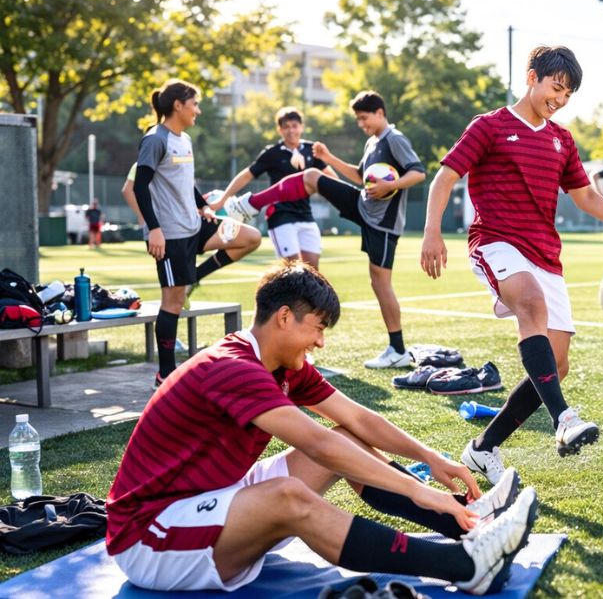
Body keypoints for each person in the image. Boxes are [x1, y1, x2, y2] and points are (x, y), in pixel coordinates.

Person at [105, 261, 537, 595]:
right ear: (284, 318)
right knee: (289, 494)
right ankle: (468, 567)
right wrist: (419, 489)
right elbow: (316, 442)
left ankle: (470, 526)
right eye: (318, 328)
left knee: (350, 439)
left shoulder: (281, 363)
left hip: (212, 498)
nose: (320, 342)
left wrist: (431, 459)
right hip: (148, 535)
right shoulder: (232, 367)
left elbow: (357, 421)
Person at [420, 46, 603, 483]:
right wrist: (432, 232)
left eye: (568, 93)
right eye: (556, 87)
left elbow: (585, 196)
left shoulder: (562, 139)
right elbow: (446, 176)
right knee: (529, 304)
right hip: (495, 241)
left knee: (557, 364)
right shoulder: (490, 126)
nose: (561, 98)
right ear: (532, 77)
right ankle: (564, 419)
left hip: (545, 252)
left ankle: (482, 449)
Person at [225, 91, 425, 369]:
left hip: (383, 222)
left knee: (380, 283)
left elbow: (419, 172)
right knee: (311, 176)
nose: (361, 124)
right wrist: (329, 157)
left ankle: (397, 349)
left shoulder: (395, 139)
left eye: (364, 118)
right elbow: (359, 175)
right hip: (363, 205)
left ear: (380, 112)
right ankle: (252, 203)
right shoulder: (372, 142)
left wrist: (391, 185)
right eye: (358, 119)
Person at [132, 79, 262, 386]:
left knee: (250, 238)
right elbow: (139, 186)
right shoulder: (154, 139)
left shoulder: (185, 139)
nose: (198, 110)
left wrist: (203, 206)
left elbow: (186, 183)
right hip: (171, 235)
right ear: (178, 105)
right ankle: (165, 374)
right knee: (173, 303)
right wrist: (154, 230)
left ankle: (197, 275)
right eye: (195, 104)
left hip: (196, 226)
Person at [216, 107, 337, 269]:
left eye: (294, 126)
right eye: (286, 127)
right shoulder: (271, 153)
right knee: (293, 271)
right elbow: (246, 175)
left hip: (306, 217)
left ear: (302, 127)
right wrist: (223, 199)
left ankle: (307, 296)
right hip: (281, 217)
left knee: (313, 272)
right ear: (280, 130)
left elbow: (332, 179)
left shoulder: (312, 150)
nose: (291, 130)